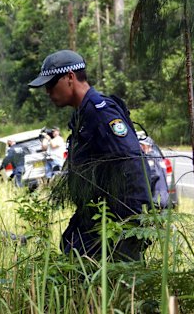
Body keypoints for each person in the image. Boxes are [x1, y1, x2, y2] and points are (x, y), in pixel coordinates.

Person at [28, 50, 152, 260]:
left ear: (70, 77)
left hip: (116, 220)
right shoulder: (83, 114)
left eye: (50, 84)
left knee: (103, 279)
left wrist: (130, 227)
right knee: (70, 248)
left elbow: (132, 165)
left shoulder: (100, 112)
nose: (47, 91)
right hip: (96, 213)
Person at [139, 136, 169, 209]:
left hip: (155, 197)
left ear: (145, 146)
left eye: (140, 145)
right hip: (164, 196)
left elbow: (154, 175)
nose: (139, 148)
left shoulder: (149, 158)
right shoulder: (159, 157)